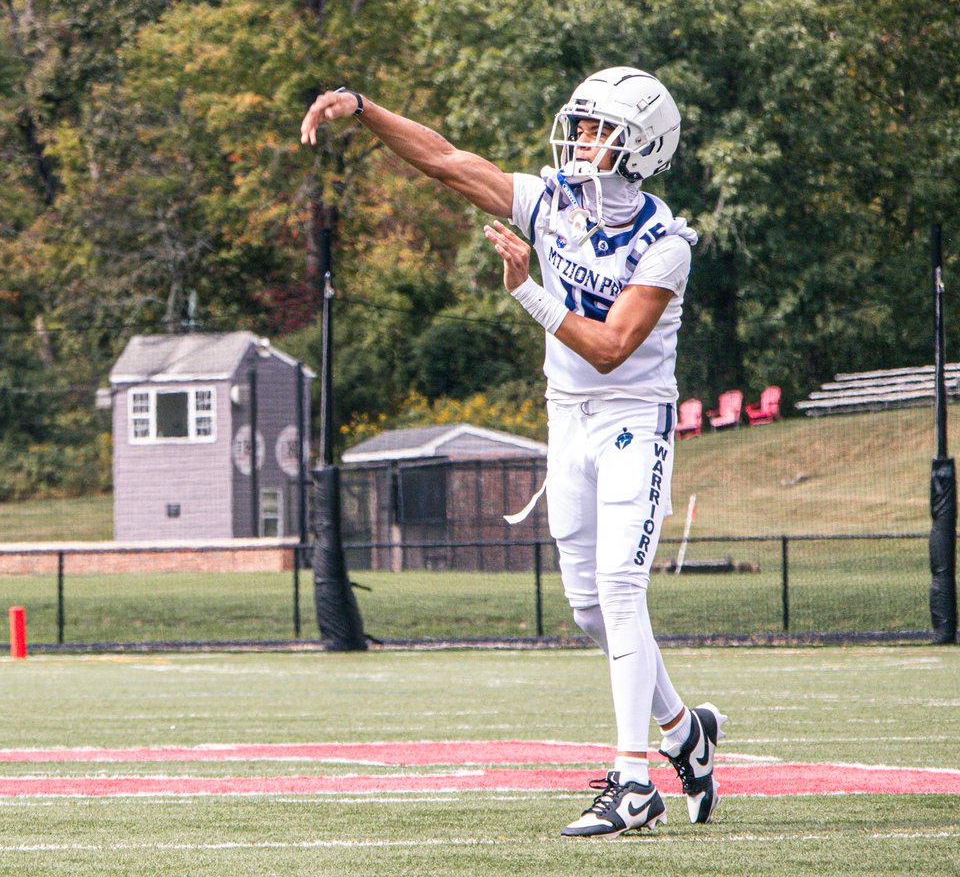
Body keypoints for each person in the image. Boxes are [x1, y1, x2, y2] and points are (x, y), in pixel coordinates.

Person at [300, 67, 727, 838]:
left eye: (602, 131)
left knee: (621, 592)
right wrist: (363, 109)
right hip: (568, 417)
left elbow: (608, 348)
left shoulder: (664, 244)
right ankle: (682, 734)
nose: (583, 140)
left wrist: (526, 290)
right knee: (589, 609)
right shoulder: (551, 200)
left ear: (642, 148)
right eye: (584, 124)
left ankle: (635, 782)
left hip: (633, 418)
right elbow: (442, 158)